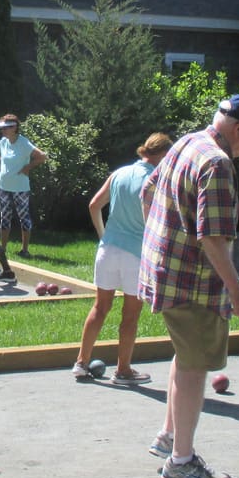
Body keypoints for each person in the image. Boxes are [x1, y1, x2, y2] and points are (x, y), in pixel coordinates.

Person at [138, 94, 239, 478]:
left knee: (186, 355)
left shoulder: (186, 142)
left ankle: (168, 437)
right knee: (196, 366)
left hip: (163, 272)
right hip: (192, 283)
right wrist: (238, 292)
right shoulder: (217, 163)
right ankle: (181, 462)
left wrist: (161, 240)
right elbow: (213, 239)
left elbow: (148, 193)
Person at [72, 132, 174, 387]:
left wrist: (104, 236)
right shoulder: (155, 180)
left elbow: (94, 205)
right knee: (130, 316)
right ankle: (123, 370)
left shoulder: (119, 173)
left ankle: (81, 363)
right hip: (136, 255)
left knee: (99, 308)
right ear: (161, 156)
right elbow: (156, 222)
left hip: (108, 250)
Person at [0, 113, 47, 258]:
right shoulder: (3, 141)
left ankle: (25, 250)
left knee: (24, 218)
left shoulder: (24, 143)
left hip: (20, 188)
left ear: (14, 128)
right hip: (3, 186)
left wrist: (27, 168)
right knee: (5, 217)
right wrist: (3, 163)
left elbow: (42, 156)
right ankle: (2, 249)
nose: (2, 131)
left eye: (5, 128)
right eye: (2, 128)